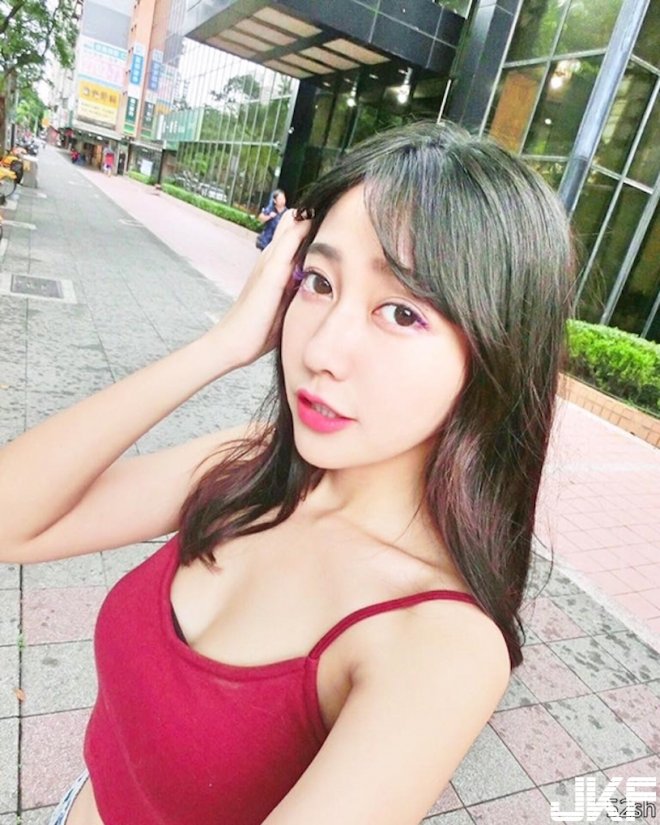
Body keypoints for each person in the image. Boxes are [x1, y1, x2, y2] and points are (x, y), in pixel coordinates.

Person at [0, 120, 574, 825]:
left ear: (496, 352)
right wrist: (222, 344)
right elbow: (11, 521)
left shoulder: (438, 643)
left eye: (400, 311)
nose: (323, 349)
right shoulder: (250, 466)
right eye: (319, 282)